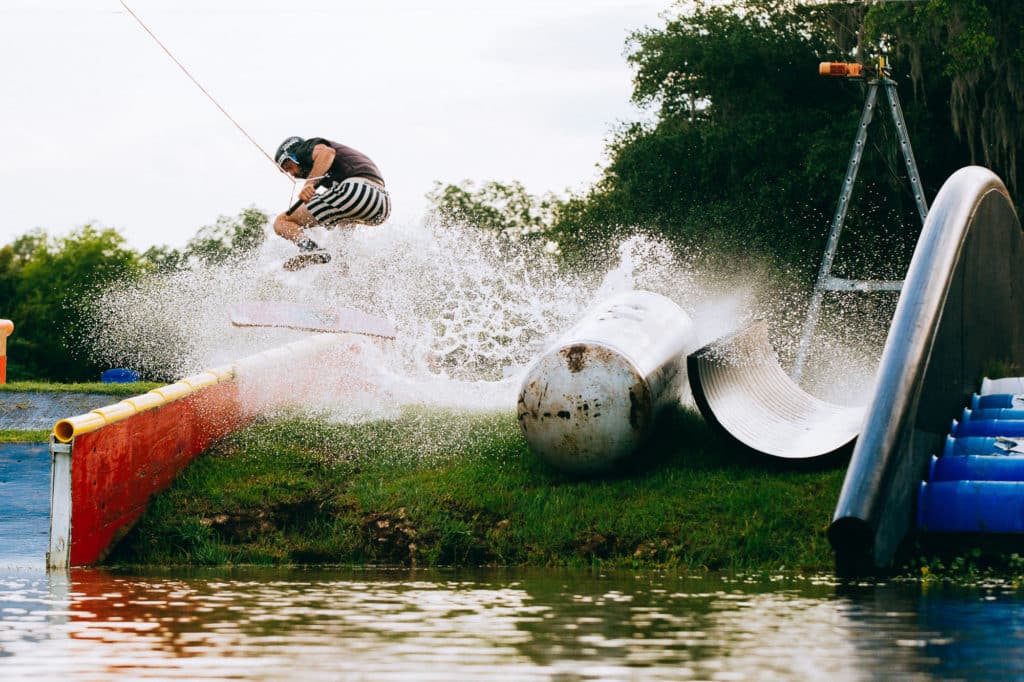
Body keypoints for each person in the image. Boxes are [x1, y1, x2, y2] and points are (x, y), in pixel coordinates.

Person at [273, 136, 391, 271]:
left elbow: (327, 152)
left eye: (289, 167)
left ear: (293, 157)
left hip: (357, 190)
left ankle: (309, 247)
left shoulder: (304, 149)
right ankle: (343, 268)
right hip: (382, 205)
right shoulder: (332, 173)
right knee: (342, 240)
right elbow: (348, 208)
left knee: (282, 222)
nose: (292, 174)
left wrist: (309, 183)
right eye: (287, 172)